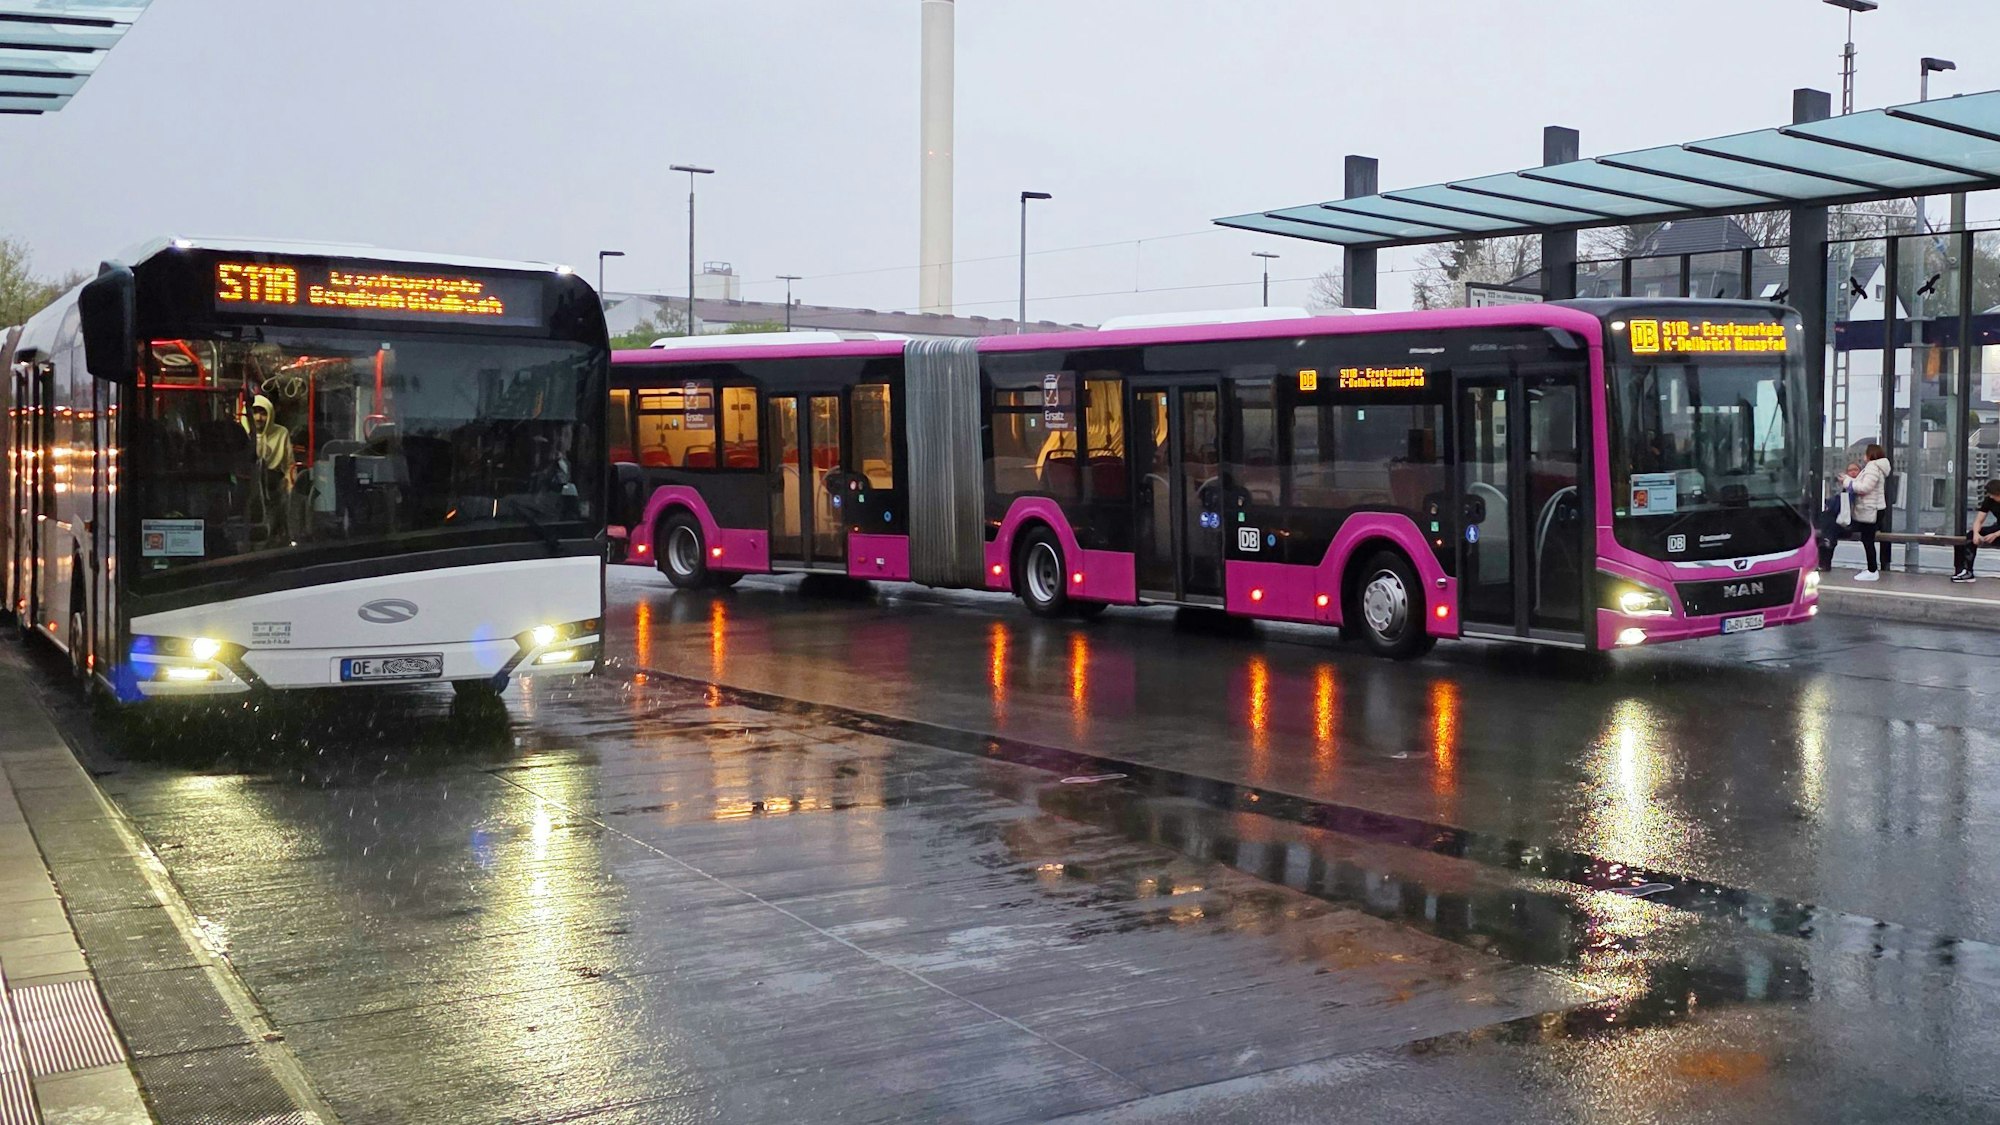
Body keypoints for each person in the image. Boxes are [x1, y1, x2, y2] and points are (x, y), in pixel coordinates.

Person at [247, 394, 294, 543]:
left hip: (274, 487)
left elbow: (289, 465)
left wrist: (288, 487)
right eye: (254, 413)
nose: (258, 418)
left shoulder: (281, 433)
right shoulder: (243, 432)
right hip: (248, 486)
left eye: (263, 413)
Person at [1849, 443, 1892, 582]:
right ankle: (1871, 569)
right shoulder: (1879, 467)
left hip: (1871, 509)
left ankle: (1872, 570)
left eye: (1865, 453)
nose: (1863, 456)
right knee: (1868, 539)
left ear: (1870, 454)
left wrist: (1847, 483)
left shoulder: (1873, 467)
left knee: (1867, 540)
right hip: (1876, 509)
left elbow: (1865, 487)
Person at [1816, 461, 1862, 572]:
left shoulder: (1858, 486)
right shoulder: (1845, 488)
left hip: (1854, 521)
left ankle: (1824, 562)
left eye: (1855, 470)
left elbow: (1839, 506)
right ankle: (1824, 559)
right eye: (1850, 470)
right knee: (1829, 526)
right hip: (1842, 521)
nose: (1852, 472)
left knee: (1829, 528)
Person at [1952, 479, 2000, 582]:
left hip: (1998, 532)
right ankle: (1967, 571)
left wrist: (1995, 535)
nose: (1991, 497)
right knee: (1970, 535)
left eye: (1993, 495)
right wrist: (1976, 534)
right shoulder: (1989, 500)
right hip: (1998, 527)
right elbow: (1979, 520)